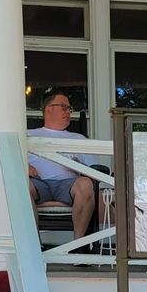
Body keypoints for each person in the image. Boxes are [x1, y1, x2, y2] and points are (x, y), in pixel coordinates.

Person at [28, 89, 98, 238]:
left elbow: (94, 171)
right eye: (64, 107)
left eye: (69, 109)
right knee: (21, 186)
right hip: (38, 184)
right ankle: (33, 244)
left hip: (67, 185)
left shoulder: (78, 138)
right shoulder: (28, 134)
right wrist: (24, 166)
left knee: (85, 184)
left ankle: (78, 245)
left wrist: (82, 170)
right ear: (49, 109)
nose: (69, 112)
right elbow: (7, 159)